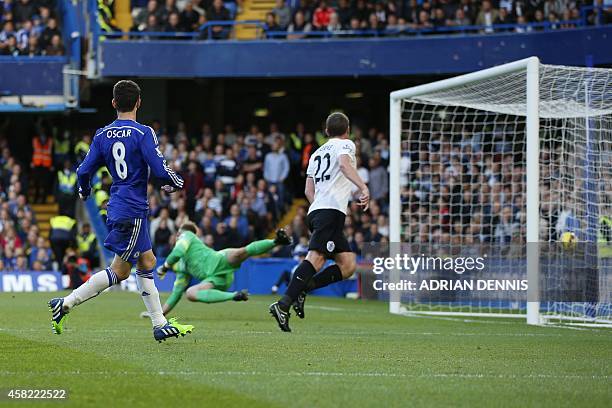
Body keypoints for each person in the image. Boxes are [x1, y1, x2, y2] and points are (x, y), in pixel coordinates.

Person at [48, 80, 194, 343]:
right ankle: (66, 303)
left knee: (147, 262)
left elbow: (82, 171)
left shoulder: (102, 135)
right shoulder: (143, 133)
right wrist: (176, 182)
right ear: (138, 102)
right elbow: (160, 170)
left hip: (117, 204)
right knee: (120, 271)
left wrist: (84, 191)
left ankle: (159, 323)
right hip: (133, 208)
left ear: (114, 103)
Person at [269, 112, 369, 332]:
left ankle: (303, 289)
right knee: (315, 258)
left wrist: (320, 206)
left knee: (348, 264)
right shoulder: (346, 145)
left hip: (317, 210)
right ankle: (283, 304)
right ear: (348, 130)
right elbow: (344, 165)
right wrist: (363, 187)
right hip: (329, 212)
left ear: (326, 131)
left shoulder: (316, 153)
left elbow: (308, 190)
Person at [142, 221, 291, 317]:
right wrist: (157, 315)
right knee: (190, 293)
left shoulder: (187, 235)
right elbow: (175, 295)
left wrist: (165, 267)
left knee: (241, 252)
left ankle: (277, 241)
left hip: (219, 259)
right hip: (216, 280)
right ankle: (235, 296)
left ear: (180, 233)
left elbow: (178, 252)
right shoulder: (182, 267)